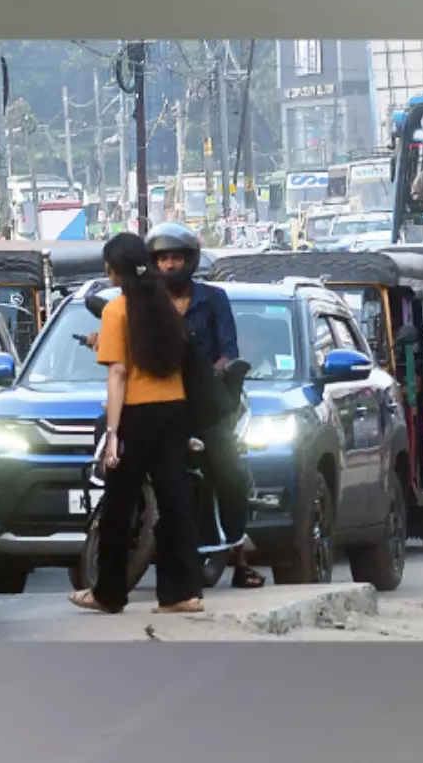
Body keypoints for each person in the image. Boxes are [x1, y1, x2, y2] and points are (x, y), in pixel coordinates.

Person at [69, 233, 205, 615]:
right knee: (175, 499)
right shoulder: (166, 306)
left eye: (108, 266)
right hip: (174, 410)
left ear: (116, 270)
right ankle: (184, 593)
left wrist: (112, 432)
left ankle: (108, 593)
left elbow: (118, 373)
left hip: (137, 415)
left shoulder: (116, 311)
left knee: (119, 505)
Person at [145, 223, 265, 590]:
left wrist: (209, 374)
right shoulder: (146, 303)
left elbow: (228, 350)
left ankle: (239, 556)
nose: (169, 265)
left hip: (207, 403)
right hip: (158, 401)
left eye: (175, 257)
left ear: (189, 260)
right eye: (162, 258)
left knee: (229, 474)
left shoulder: (213, 299)